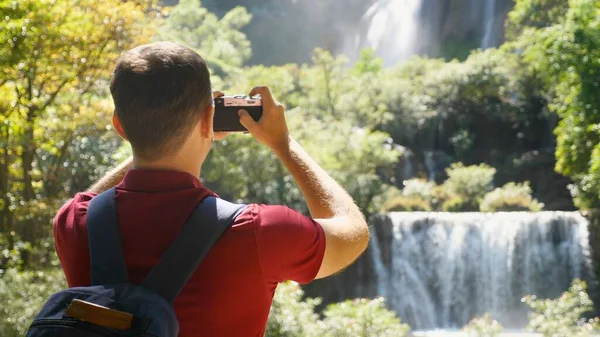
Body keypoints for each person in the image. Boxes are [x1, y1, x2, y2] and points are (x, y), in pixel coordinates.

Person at [53, 42, 369, 337]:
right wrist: (284, 144)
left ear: (119, 125)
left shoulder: (75, 223)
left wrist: (152, 134)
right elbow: (353, 233)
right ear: (209, 119)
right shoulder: (259, 231)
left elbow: (88, 200)